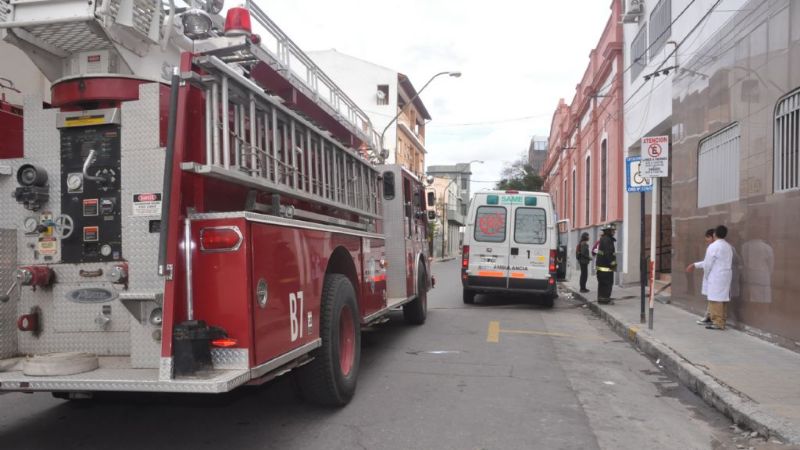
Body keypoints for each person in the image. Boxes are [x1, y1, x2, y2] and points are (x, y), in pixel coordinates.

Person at [699, 225, 734, 330]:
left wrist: (706, 275)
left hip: (716, 275)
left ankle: (718, 322)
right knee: (722, 299)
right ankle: (721, 320)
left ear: (714, 234)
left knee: (715, 299)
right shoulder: (728, 246)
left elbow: (708, 263)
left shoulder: (713, 246)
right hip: (726, 275)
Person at [686, 228, 715, 325]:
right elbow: (707, 262)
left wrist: (695, 266)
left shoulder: (713, 248)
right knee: (711, 298)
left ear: (713, 237)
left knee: (713, 298)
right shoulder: (712, 247)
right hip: (713, 277)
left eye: (708, 237)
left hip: (714, 277)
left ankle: (710, 318)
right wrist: (694, 265)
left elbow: (707, 264)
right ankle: (709, 316)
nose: (706, 240)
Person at [595, 224, 617, 304]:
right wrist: (613, 264)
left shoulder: (603, 239)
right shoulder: (607, 240)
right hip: (606, 268)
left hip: (602, 267)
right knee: (607, 284)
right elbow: (608, 254)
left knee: (602, 284)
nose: (614, 232)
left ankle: (602, 298)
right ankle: (605, 299)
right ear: (608, 231)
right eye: (612, 230)